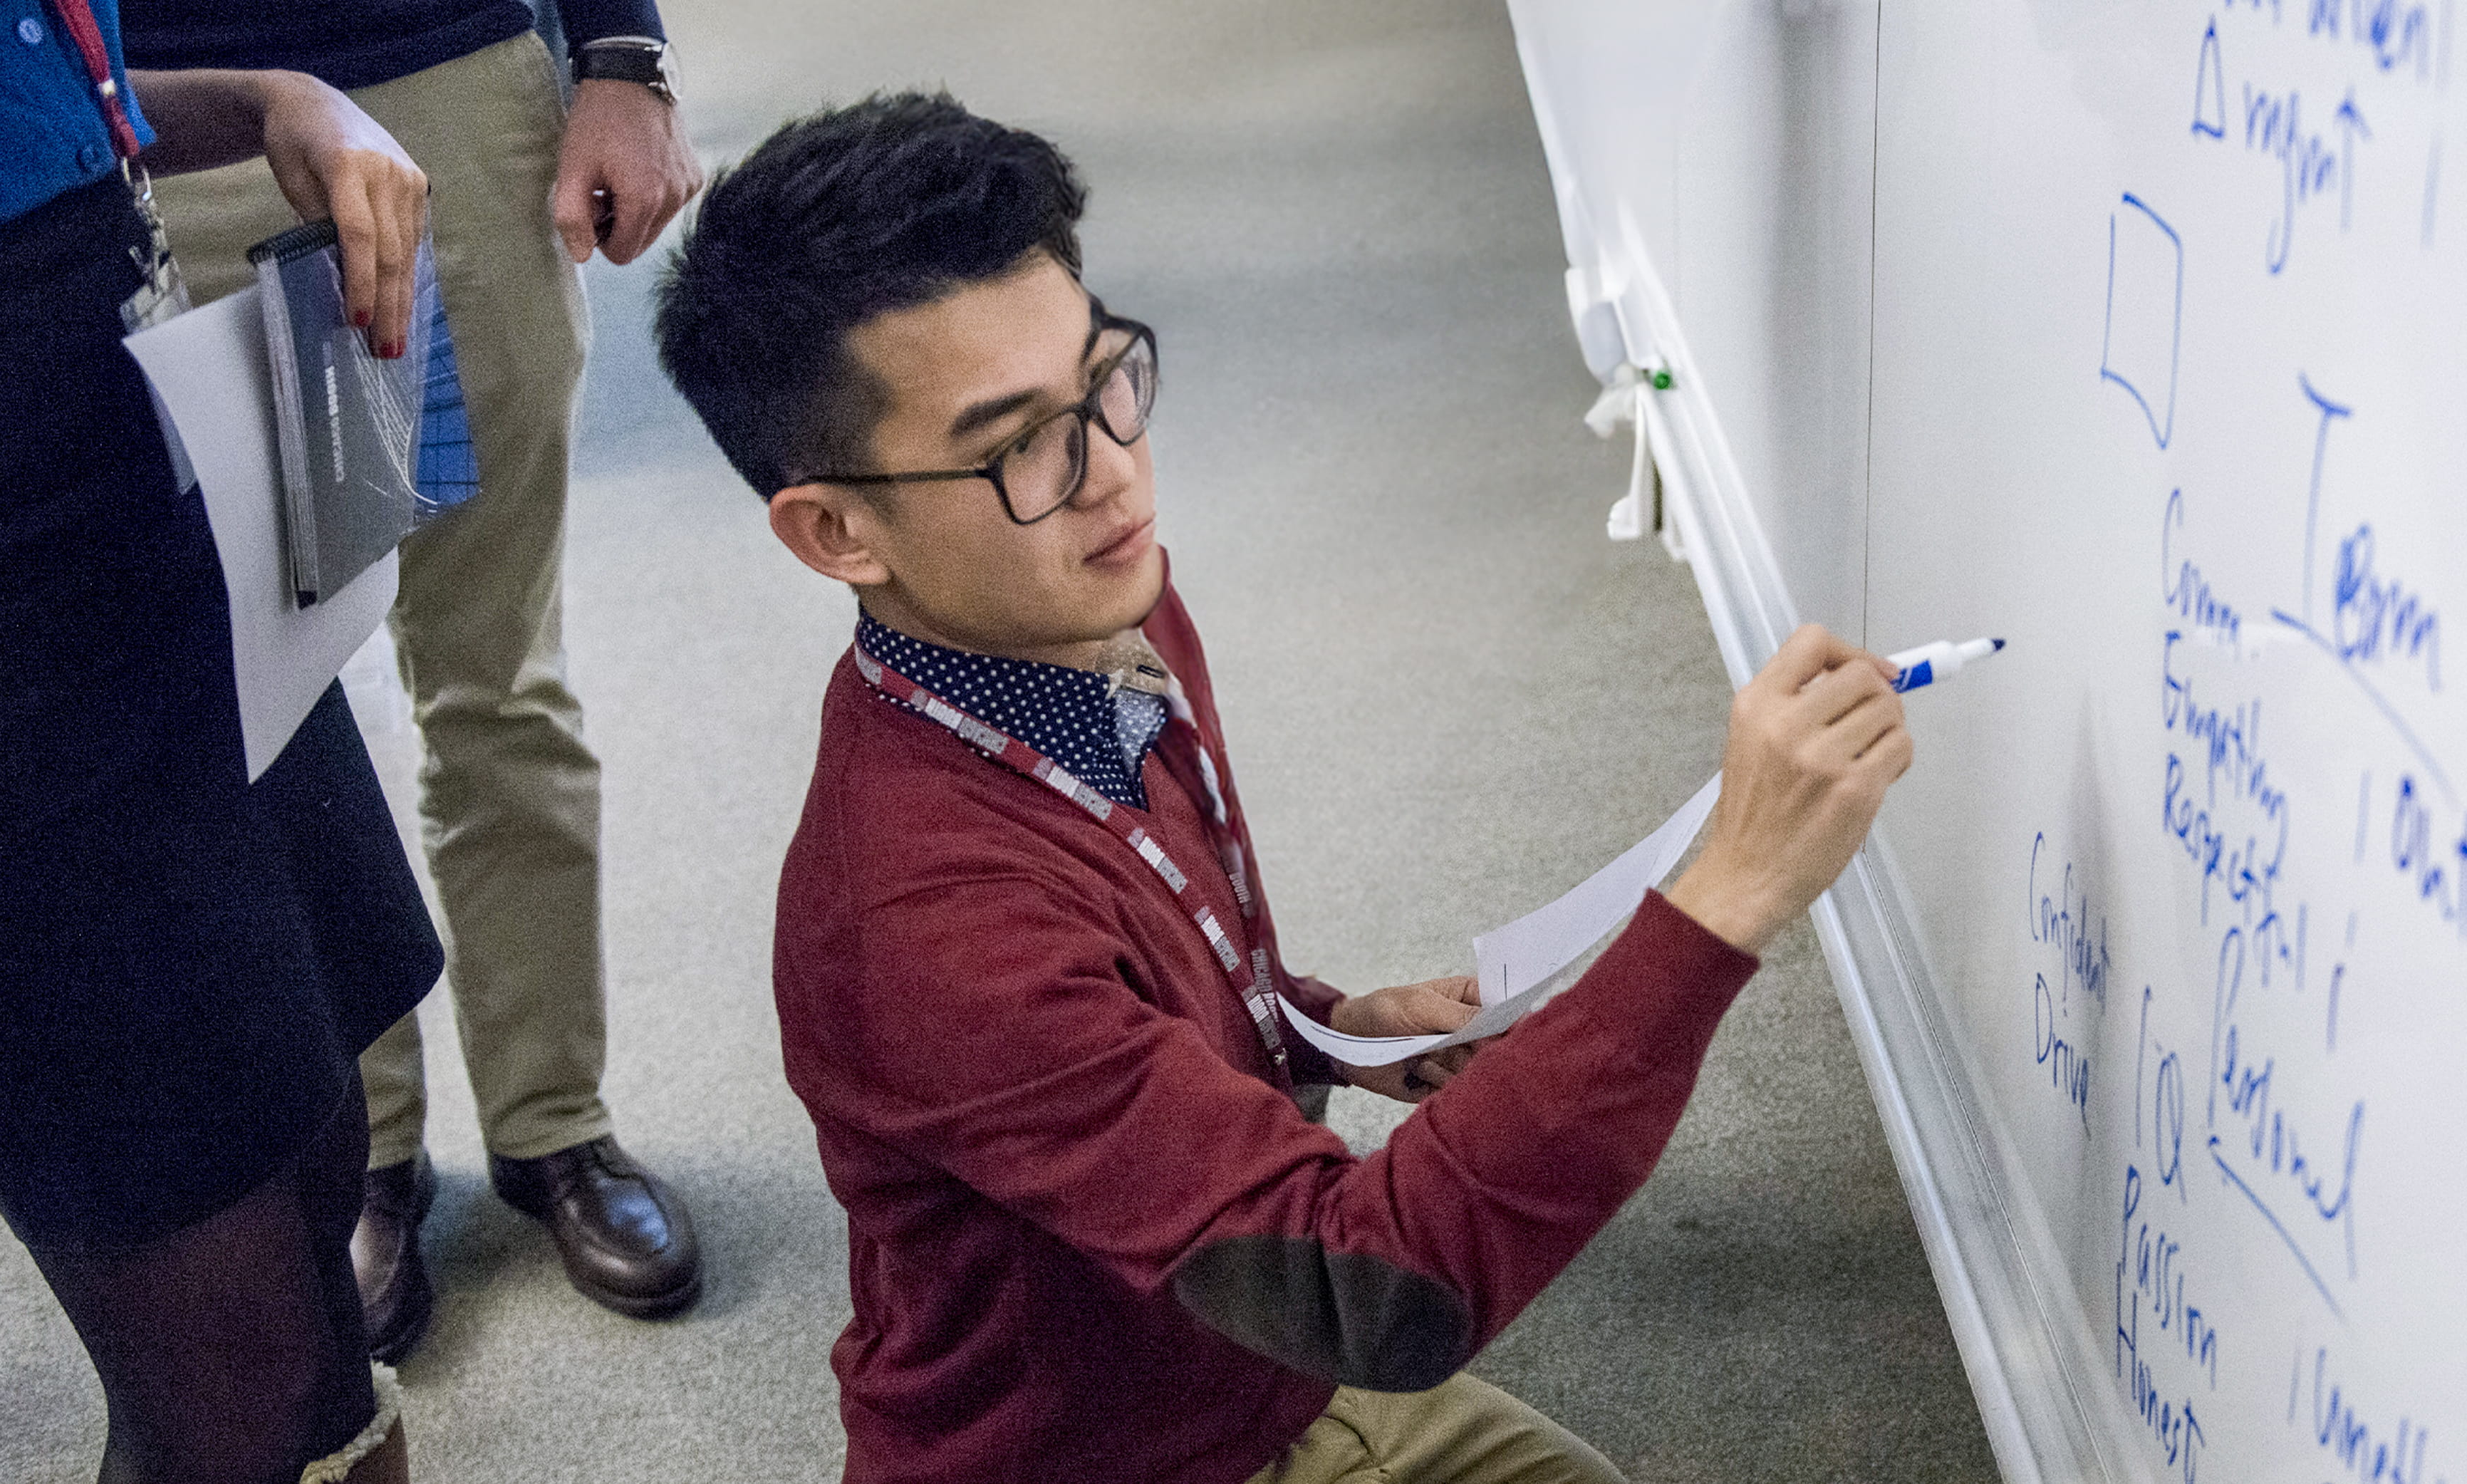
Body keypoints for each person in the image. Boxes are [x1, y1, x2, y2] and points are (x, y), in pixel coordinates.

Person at [653, 93, 1913, 1484]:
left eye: (1104, 377)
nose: (1111, 473)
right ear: (837, 531)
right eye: (1015, 445)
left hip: (1259, 1374)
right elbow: (1367, 1292)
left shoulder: (1089, 609)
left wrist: (1316, 1027)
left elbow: (1128, 974)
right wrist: (1729, 896)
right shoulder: (919, 926)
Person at [121, 0, 712, 1359]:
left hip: (439, 80)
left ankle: (555, 1124)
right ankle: (365, 1148)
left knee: (498, 674)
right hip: (155, 132)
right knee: (273, 711)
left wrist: (624, 56)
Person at [0, 5, 444, 1480]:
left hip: (139, 429)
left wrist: (271, 95)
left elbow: (12, 88)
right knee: (224, 1339)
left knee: (310, 1157)